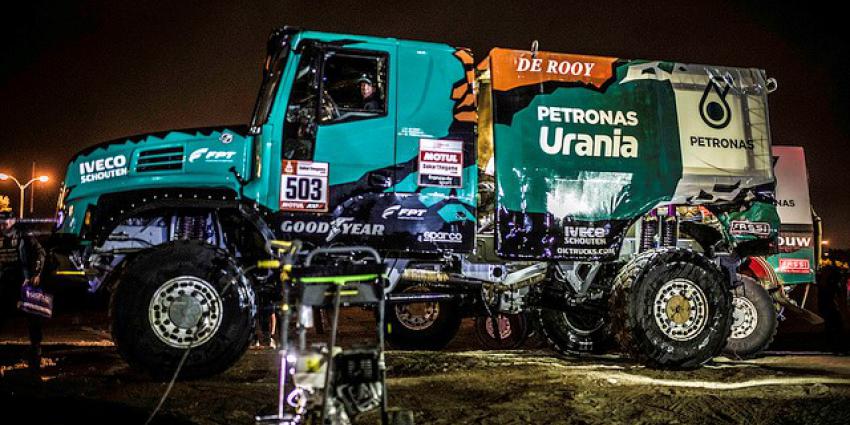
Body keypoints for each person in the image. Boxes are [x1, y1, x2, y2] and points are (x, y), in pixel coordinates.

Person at [0, 196, 46, 373]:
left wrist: (36, 274)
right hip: (4, 282)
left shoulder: (24, 235)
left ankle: (36, 347)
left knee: (33, 315)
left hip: (23, 282)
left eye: (5, 220)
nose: (3, 224)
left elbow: (40, 253)